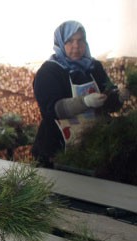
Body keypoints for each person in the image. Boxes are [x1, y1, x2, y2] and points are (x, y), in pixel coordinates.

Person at [32, 20, 125, 168]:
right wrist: (85, 102)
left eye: (80, 40)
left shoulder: (94, 67)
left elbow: (109, 104)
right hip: (58, 148)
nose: (76, 46)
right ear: (61, 43)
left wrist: (119, 96)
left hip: (93, 145)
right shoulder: (48, 71)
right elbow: (52, 109)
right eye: (70, 41)